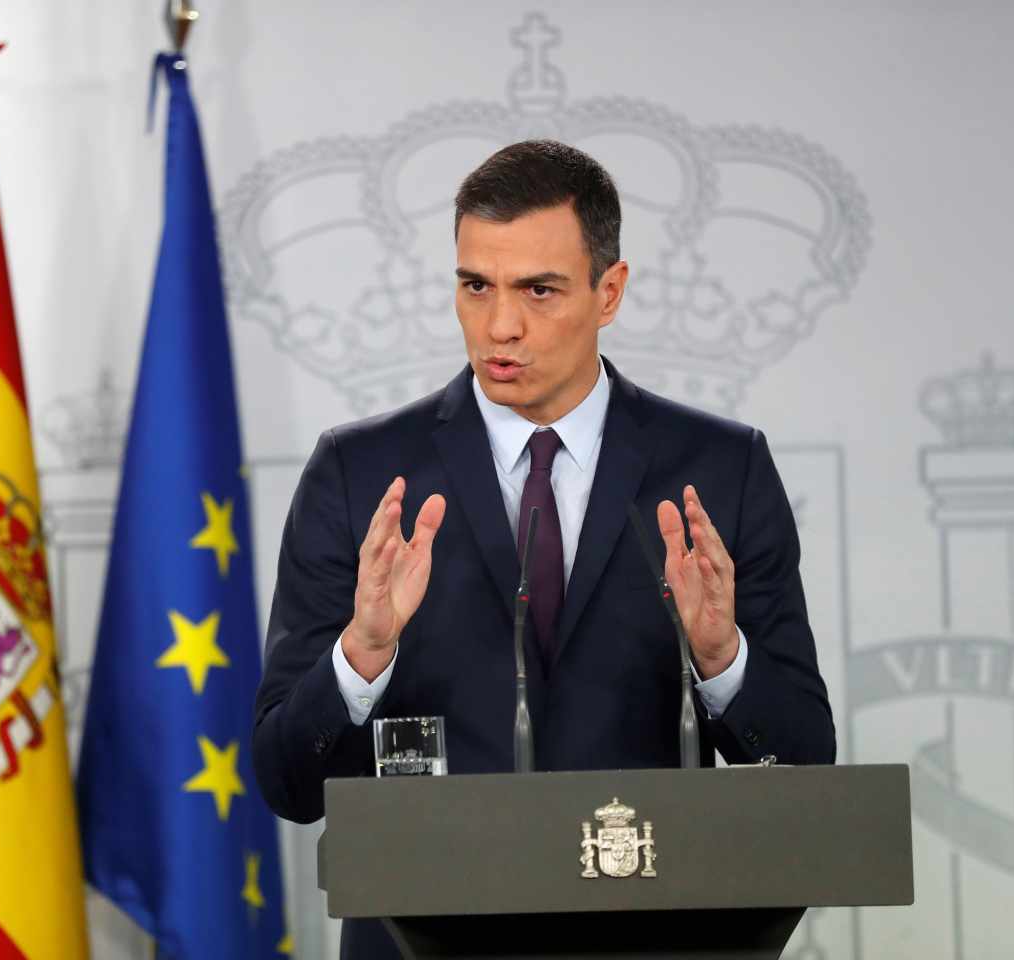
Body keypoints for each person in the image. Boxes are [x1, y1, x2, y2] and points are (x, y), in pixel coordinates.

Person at [251, 140, 835, 958]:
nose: (501, 325)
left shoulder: (716, 471)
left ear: (610, 292)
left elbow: (806, 765)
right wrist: (361, 656)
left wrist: (720, 656)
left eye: (539, 290)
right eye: (476, 286)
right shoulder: (362, 476)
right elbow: (287, 783)